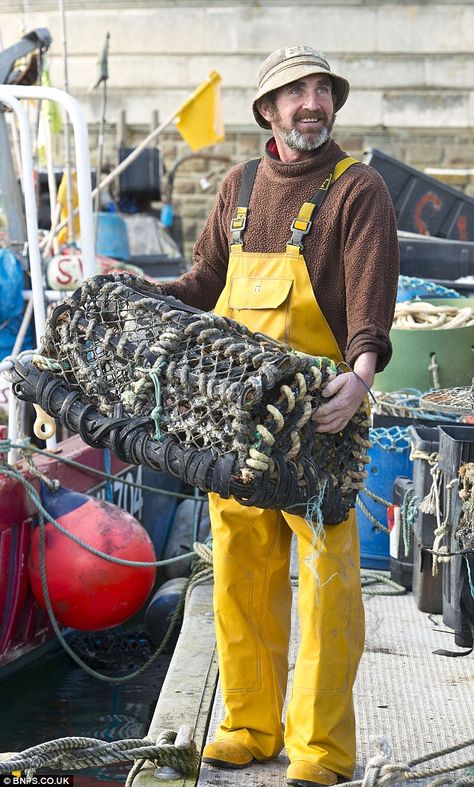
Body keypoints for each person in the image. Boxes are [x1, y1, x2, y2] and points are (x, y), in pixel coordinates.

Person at [160, 45, 399, 787]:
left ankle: (320, 751)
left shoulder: (357, 192)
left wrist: (359, 379)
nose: (311, 102)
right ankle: (246, 725)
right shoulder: (237, 187)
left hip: (321, 424)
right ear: (267, 110)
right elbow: (204, 284)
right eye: (295, 91)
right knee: (237, 572)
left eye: (321, 89)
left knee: (328, 587)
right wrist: (141, 286)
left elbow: (368, 307)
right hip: (237, 427)